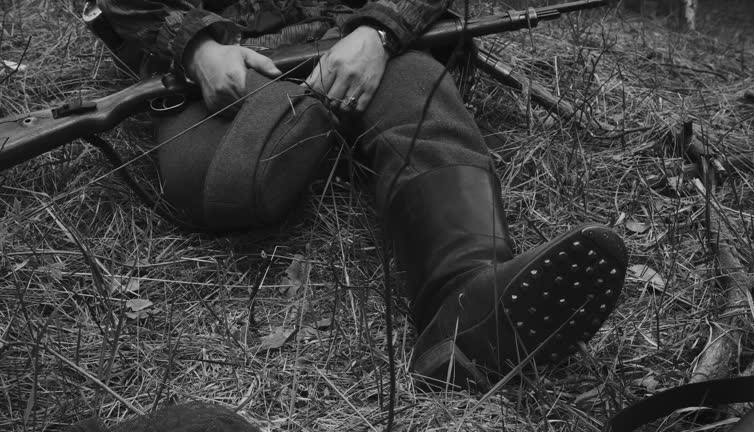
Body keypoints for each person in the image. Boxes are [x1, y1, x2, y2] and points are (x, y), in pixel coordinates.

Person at [97, 0, 628, 389]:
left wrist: (379, 31)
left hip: (356, 48)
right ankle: (301, 133)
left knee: (420, 106)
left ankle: (468, 310)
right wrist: (198, 47)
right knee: (218, 182)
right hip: (229, 71)